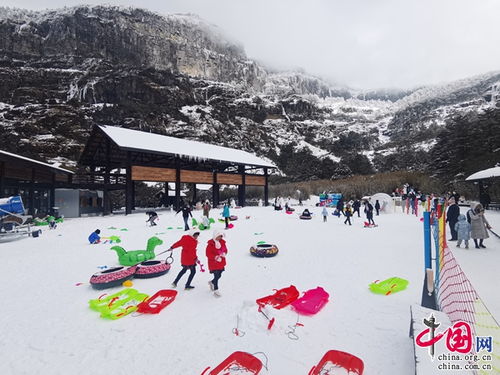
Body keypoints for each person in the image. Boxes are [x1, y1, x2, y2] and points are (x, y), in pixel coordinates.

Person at [206, 230, 228, 297]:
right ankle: (216, 290)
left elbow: (225, 249)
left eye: (221, 236)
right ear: (215, 236)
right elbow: (208, 254)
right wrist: (215, 257)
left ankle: (212, 282)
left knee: (219, 275)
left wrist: (224, 253)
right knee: (216, 275)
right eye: (218, 236)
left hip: (221, 262)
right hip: (213, 263)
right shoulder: (210, 244)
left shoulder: (222, 242)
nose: (219, 238)